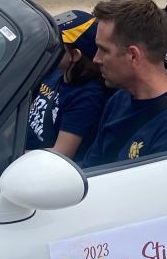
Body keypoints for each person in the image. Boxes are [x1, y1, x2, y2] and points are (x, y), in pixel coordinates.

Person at [82, 0, 167, 167]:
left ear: (133, 55)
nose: (96, 59)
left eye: (104, 50)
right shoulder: (119, 99)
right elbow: (92, 165)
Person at [27, 11, 108, 160]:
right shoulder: (55, 73)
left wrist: (12, 156)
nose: (50, 47)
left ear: (75, 55)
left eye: (57, 45)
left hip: (35, 162)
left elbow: (61, 153)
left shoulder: (87, 97)